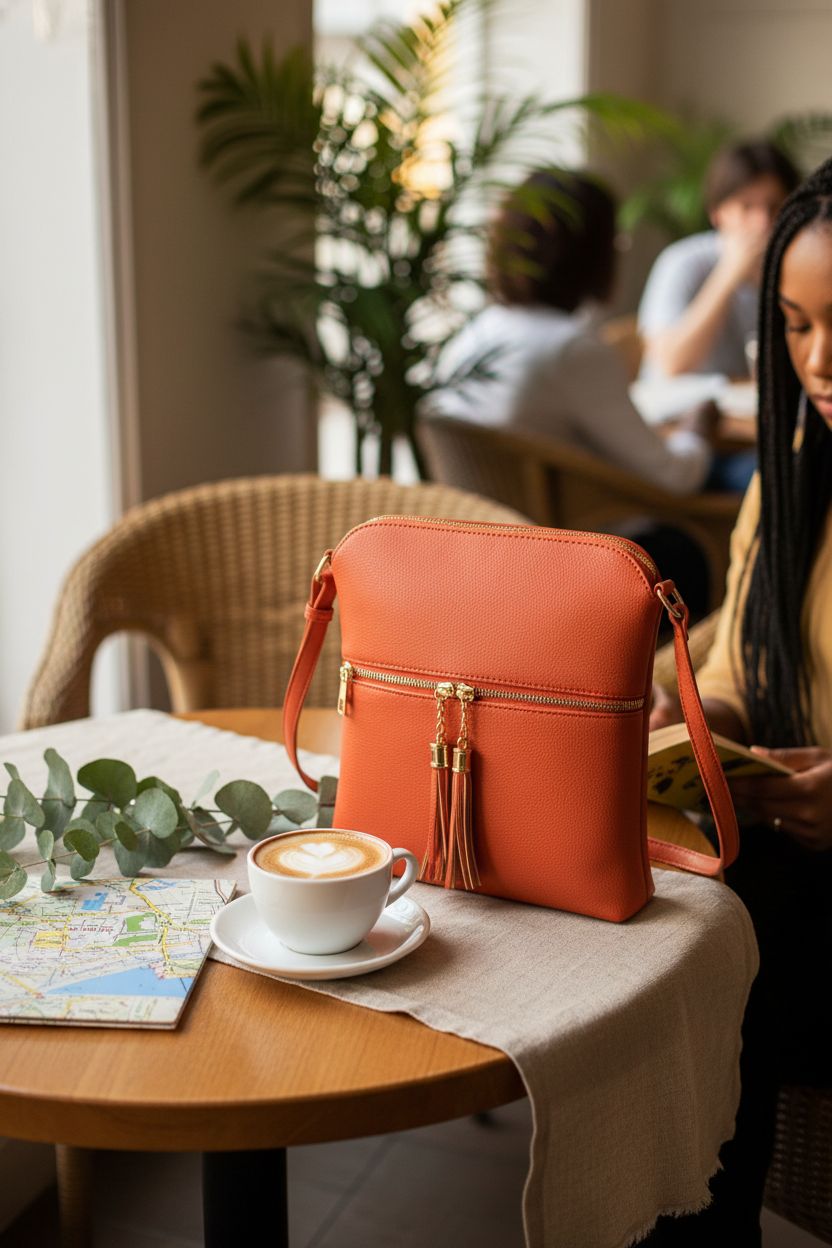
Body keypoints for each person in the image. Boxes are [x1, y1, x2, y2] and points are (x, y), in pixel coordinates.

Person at [646, 156, 832, 1245]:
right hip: (783, 860)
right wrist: (703, 722)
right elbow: (737, 664)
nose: (817, 360)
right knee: (690, 930)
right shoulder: (792, 470)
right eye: (797, 324)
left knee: (716, 962)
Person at [428, 168, 717, 496]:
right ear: (593, 253)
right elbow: (675, 478)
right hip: (587, 539)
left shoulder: (477, 332)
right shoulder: (572, 350)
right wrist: (697, 427)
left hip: (487, 532)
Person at [639, 140, 800, 380]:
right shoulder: (681, 262)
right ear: (716, 213)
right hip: (676, 413)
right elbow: (672, 364)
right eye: (746, 207)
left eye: (774, 206)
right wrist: (729, 273)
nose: (763, 222)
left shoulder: (800, 268)